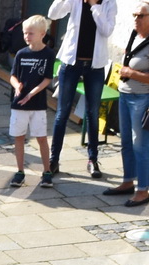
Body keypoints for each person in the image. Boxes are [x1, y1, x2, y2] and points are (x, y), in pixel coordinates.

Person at [46, 0, 115, 182]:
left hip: (95, 65)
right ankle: (54, 160)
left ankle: (93, 160)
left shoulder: (108, 3)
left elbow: (106, 30)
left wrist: (95, 7)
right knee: (62, 112)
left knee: (92, 113)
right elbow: (53, 14)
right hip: (71, 64)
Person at [6, 15, 54, 189]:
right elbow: (12, 75)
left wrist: (32, 93)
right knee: (19, 137)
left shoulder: (48, 54)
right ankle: (20, 171)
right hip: (19, 104)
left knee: (41, 138)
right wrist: (17, 86)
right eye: (25, 33)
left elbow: (47, 79)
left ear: (42, 34)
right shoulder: (21, 53)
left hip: (38, 105)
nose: (27, 36)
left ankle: (47, 172)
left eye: (31, 33)